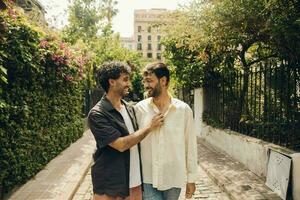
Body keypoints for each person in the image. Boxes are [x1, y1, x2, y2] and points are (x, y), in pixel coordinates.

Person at [88, 61, 164, 200]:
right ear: (111, 82)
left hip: (134, 181)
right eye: (125, 79)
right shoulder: (97, 114)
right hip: (110, 185)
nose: (128, 84)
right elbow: (121, 145)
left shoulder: (129, 108)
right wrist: (149, 127)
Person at [134, 62, 198, 200]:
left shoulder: (184, 110)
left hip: (173, 177)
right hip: (147, 177)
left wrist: (191, 178)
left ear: (163, 81)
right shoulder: (139, 109)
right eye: (145, 81)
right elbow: (134, 142)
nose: (146, 85)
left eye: (150, 81)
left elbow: (190, 146)